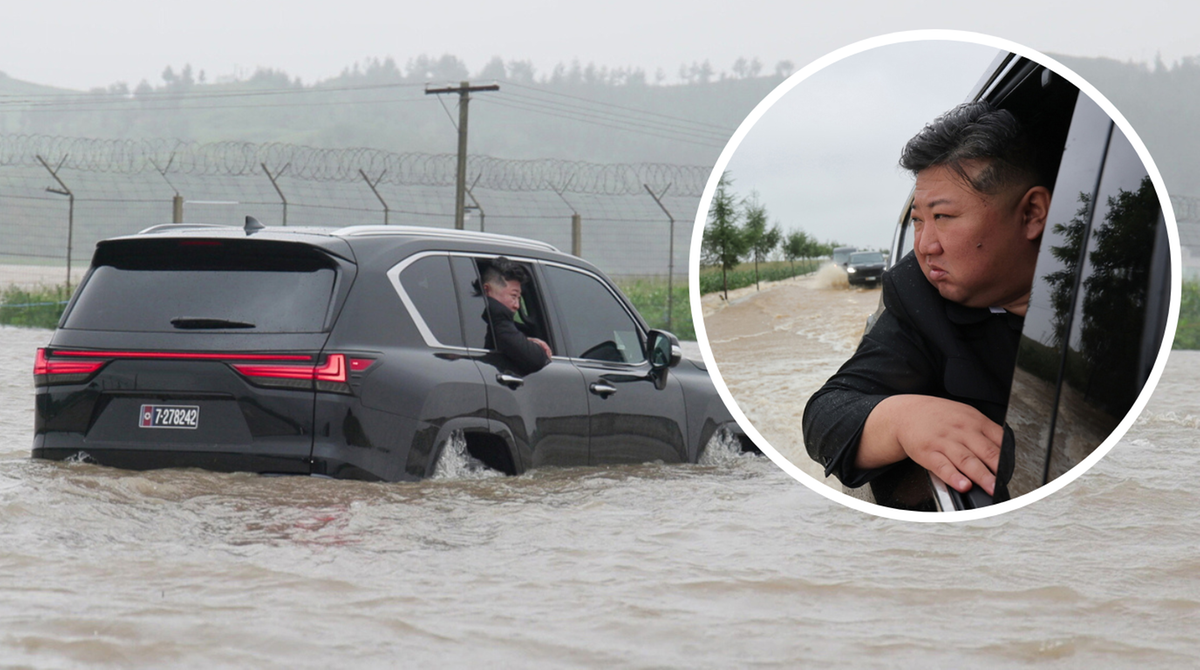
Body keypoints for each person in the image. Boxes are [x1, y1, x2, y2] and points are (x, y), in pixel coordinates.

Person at [802, 101, 1052, 501]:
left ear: (1031, 214)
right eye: (918, 220)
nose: (924, 246)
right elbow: (825, 416)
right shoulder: (918, 296)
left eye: (944, 217)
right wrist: (901, 420)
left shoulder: (1116, 303)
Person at [480, 257, 552, 374]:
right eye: (513, 296)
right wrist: (539, 350)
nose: (517, 305)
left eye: (519, 298)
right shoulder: (497, 315)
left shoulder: (479, 318)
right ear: (487, 290)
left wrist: (524, 341)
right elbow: (535, 360)